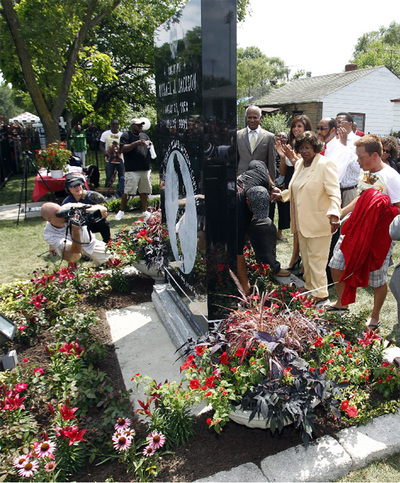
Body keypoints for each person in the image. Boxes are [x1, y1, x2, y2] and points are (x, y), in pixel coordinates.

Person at [327, 135, 400, 330]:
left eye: (361, 157)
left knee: (377, 277)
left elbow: (398, 209)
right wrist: (340, 213)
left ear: (375, 155)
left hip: (379, 235)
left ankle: (375, 316)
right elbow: (360, 197)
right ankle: (342, 303)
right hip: (355, 226)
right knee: (336, 264)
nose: (357, 161)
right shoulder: (366, 172)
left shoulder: (392, 178)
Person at [272, 131, 341, 304]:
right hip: (301, 222)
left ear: (315, 148)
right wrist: (283, 195)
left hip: (319, 222)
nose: (304, 151)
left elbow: (334, 194)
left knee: (317, 260)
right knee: (308, 259)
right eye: (301, 147)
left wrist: (334, 215)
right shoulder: (301, 164)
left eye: (308, 147)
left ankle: (320, 293)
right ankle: (310, 286)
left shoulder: (326, 164)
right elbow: (297, 187)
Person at [237, 160, 290, 295]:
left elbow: (257, 162)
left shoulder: (261, 175)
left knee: (267, 228)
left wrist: (272, 187)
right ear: (248, 201)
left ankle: (272, 266)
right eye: (254, 212)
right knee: (238, 244)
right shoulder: (237, 207)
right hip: (233, 213)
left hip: (257, 193)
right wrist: (245, 285)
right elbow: (238, 252)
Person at [275, 115, 312, 271]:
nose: (296, 129)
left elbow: (306, 168)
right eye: (294, 126)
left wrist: (293, 157)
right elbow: (283, 171)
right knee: (295, 225)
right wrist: (283, 156)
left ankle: (304, 261)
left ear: (306, 128)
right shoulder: (290, 145)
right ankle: (295, 257)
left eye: (300, 126)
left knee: (304, 224)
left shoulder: (310, 146)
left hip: (305, 184)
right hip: (291, 182)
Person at [41, 202, 111, 266]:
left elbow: (103, 210)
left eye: (62, 210)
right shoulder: (49, 234)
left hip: (90, 243)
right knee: (73, 255)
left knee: (112, 261)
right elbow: (76, 250)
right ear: (49, 219)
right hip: (72, 250)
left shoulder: (69, 207)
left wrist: (82, 210)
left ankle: (95, 258)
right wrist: (75, 231)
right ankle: (74, 268)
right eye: (60, 214)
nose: (65, 215)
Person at [115, 118, 154, 221]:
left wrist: (150, 144)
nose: (140, 127)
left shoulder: (144, 136)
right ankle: (121, 211)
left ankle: (144, 211)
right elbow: (123, 149)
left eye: (141, 125)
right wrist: (136, 143)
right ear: (132, 125)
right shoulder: (126, 135)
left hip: (144, 168)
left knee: (144, 191)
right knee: (128, 191)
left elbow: (149, 146)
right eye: (138, 125)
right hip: (132, 169)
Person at [62, 173, 111, 243]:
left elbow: (104, 211)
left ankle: (108, 242)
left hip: (92, 223)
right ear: (68, 189)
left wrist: (85, 209)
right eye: (73, 186)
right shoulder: (67, 202)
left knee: (104, 224)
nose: (77, 188)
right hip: (77, 226)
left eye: (79, 185)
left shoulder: (92, 195)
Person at [237, 105, 275, 178]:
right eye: (249, 117)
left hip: (260, 179)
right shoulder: (238, 135)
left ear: (260, 118)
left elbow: (271, 163)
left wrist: (271, 185)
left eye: (255, 117)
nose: (252, 120)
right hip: (241, 178)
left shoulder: (269, 137)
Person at [100, 119, 124, 198]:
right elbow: (101, 145)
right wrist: (105, 153)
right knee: (109, 176)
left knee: (122, 177)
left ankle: (121, 192)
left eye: (116, 124)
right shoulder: (105, 134)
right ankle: (108, 193)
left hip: (120, 159)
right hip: (109, 159)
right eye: (113, 124)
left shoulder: (122, 134)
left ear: (118, 125)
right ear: (111, 125)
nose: (115, 126)